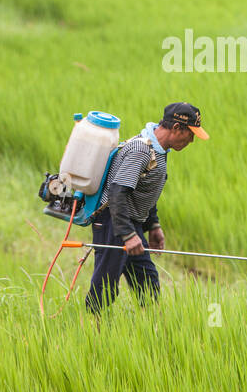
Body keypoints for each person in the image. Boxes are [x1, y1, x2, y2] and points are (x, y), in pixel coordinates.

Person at [84, 102, 208, 315]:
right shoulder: (141, 150)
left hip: (130, 222)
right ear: (177, 128)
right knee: (105, 284)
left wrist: (154, 225)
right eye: (190, 134)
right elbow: (118, 192)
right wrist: (127, 234)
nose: (191, 140)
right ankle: (90, 332)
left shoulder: (159, 151)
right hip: (112, 221)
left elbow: (143, 191)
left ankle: (153, 331)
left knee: (148, 283)